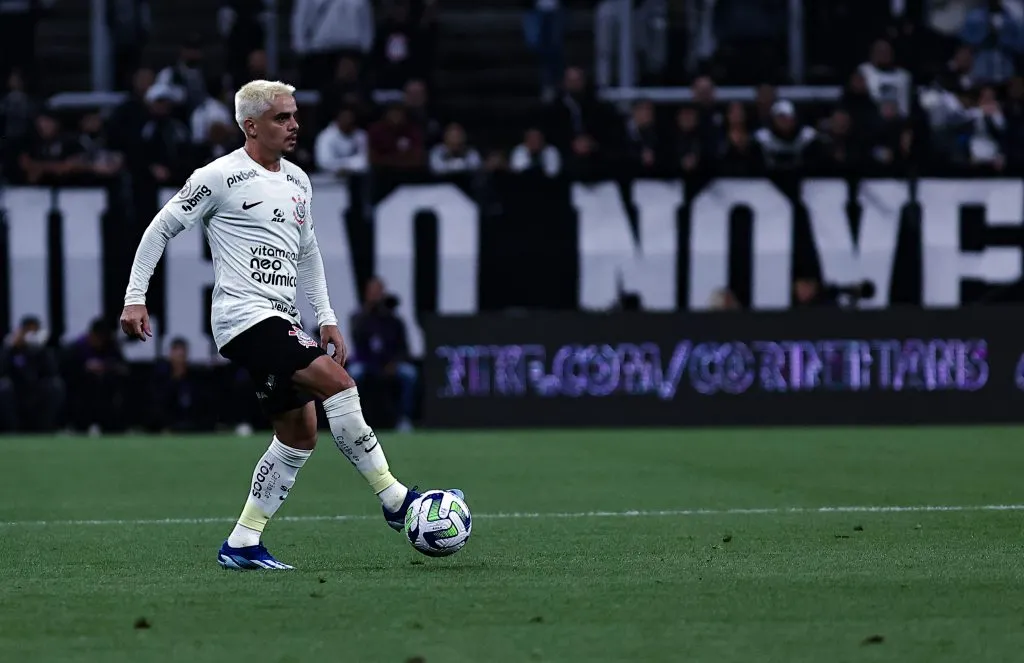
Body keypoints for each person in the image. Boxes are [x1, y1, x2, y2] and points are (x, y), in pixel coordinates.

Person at [119, 79, 462, 571]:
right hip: (244, 316)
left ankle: (242, 543)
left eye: (294, 115)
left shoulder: (299, 180)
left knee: (299, 433)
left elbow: (308, 255)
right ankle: (396, 500)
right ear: (250, 125)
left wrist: (326, 317)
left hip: (281, 317)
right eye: (282, 118)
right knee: (340, 386)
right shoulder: (219, 177)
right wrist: (135, 298)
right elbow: (160, 228)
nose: (294, 124)